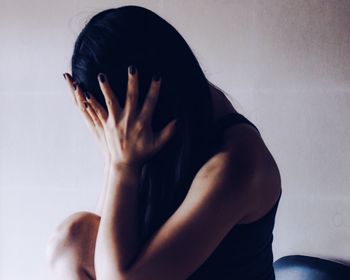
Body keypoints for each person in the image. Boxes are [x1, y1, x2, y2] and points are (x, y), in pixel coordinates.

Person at [46, 5, 282, 280]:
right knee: (73, 240)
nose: (117, 129)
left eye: (115, 115)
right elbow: (104, 243)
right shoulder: (174, 126)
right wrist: (114, 158)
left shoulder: (237, 164)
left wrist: (122, 166)